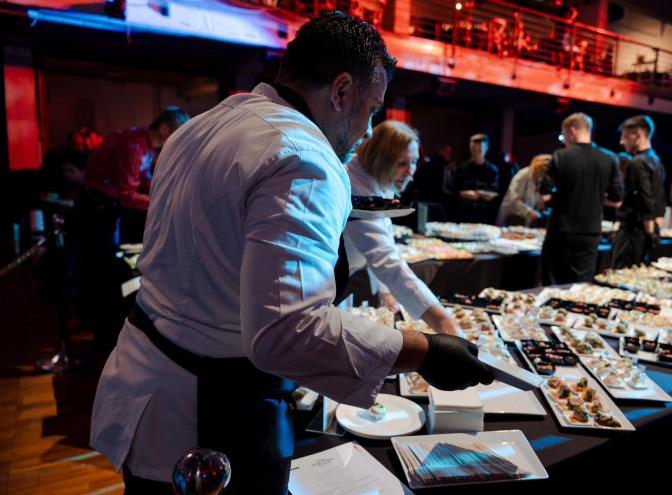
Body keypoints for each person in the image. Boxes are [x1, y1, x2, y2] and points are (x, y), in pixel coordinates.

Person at [90, 11, 493, 494]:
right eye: (371, 109)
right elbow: (287, 331)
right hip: (208, 413)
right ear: (341, 91)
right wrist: (424, 351)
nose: (368, 130)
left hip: (149, 376)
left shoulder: (203, 124)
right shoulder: (305, 156)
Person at [344, 120, 462, 335]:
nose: (411, 173)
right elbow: (382, 255)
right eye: (401, 163)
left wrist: (386, 288)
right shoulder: (353, 181)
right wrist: (443, 321)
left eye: (414, 162)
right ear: (379, 159)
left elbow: (383, 235)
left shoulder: (379, 176)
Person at [81, 106, 190, 245]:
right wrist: (166, 203)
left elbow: (143, 177)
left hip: (104, 202)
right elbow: (127, 194)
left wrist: (167, 191)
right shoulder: (134, 145)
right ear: (164, 128)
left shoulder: (142, 139)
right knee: (102, 253)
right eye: (179, 136)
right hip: (98, 206)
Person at [539, 113, 623, 285]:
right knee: (580, 285)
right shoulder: (609, 158)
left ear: (572, 131)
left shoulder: (561, 156)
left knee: (553, 285)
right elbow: (616, 200)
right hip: (590, 233)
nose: (563, 140)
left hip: (560, 231)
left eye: (563, 135)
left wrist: (565, 194)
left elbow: (543, 196)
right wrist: (594, 196)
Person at [611, 114, 666, 269]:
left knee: (621, 273)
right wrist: (654, 231)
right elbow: (659, 200)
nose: (622, 141)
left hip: (632, 232)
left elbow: (645, 199)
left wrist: (650, 233)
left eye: (625, 136)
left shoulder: (638, 163)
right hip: (644, 231)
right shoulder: (656, 160)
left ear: (638, 135)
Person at [455, 133, 499, 224]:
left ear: (486, 149)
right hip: (464, 213)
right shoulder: (462, 167)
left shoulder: (492, 170)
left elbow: (494, 192)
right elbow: (453, 190)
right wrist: (465, 193)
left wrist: (483, 194)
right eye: (473, 150)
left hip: (483, 214)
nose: (475, 153)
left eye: (479, 150)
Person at [495, 153, 549, 227]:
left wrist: (541, 206)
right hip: (512, 215)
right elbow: (513, 198)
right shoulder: (523, 174)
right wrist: (528, 211)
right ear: (541, 168)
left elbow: (534, 199)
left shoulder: (539, 180)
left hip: (523, 220)